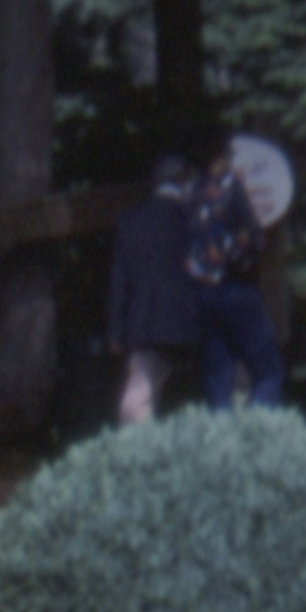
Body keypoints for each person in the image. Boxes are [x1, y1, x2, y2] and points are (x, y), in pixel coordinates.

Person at [105, 148, 209, 426]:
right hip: (191, 324)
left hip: (145, 323)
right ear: (183, 181)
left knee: (138, 399)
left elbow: (120, 280)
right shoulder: (195, 221)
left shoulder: (130, 220)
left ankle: (134, 455)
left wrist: (116, 330)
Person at [191, 137, 291, 410]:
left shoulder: (194, 192)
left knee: (218, 373)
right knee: (268, 369)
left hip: (203, 291)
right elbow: (252, 237)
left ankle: (223, 440)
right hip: (235, 286)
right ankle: (257, 431)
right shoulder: (231, 188)